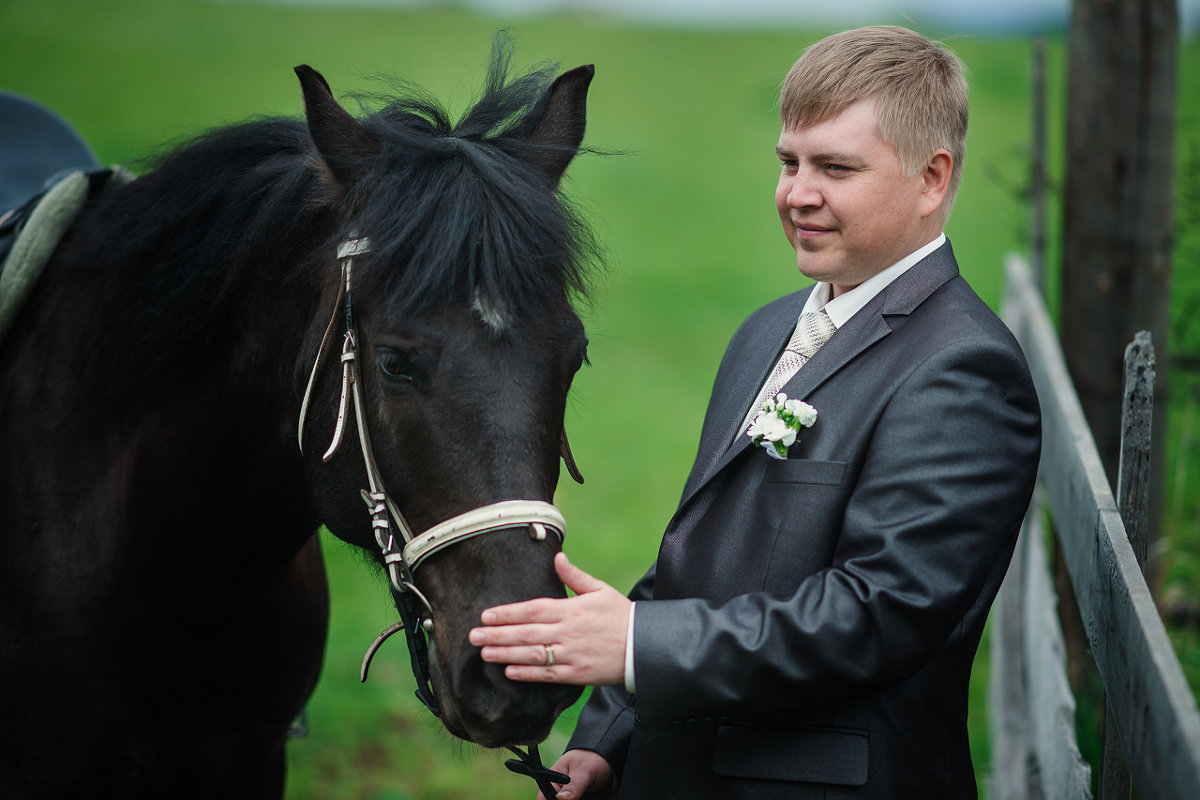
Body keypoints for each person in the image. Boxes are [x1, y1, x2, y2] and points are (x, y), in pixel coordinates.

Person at [469, 25, 1042, 799]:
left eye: (836, 167)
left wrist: (637, 645)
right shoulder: (767, 330)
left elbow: (877, 615)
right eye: (789, 162)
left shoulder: (963, 370)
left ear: (932, 178)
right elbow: (697, 565)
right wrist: (610, 736)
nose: (797, 193)